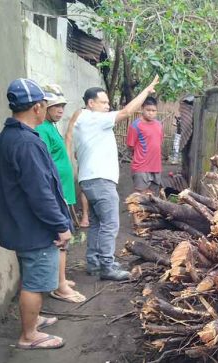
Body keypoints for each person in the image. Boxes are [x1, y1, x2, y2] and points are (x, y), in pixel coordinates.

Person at [0, 78, 72, 349]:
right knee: (36, 283)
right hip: (35, 228)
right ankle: (29, 336)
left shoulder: (8, 136)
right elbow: (40, 193)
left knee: (31, 276)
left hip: (20, 224)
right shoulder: (26, 142)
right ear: (38, 107)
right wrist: (61, 226)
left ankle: (33, 319)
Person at [74, 75, 159, 281]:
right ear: (90, 103)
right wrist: (146, 91)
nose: (107, 106)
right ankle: (107, 265)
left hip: (88, 180)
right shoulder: (94, 118)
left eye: (108, 103)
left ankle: (94, 262)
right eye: (103, 102)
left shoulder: (81, 121)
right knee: (111, 223)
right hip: (101, 180)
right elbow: (127, 112)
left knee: (97, 223)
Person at [35, 84, 86, 304]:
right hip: (57, 194)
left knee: (63, 240)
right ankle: (60, 285)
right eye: (56, 106)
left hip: (63, 192)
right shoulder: (42, 130)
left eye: (63, 106)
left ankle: (60, 279)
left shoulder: (51, 126)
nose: (60, 110)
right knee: (61, 239)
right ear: (44, 107)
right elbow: (43, 163)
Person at [126, 96, 164, 194]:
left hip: (156, 166)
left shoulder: (159, 125)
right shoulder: (135, 125)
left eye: (153, 110)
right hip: (141, 167)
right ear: (142, 109)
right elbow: (131, 146)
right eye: (148, 110)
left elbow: (159, 143)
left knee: (153, 198)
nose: (151, 113)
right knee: (139, 197)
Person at [64, 110, 91, 228]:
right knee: (84, 189)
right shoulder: (79, 126)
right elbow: (74, 150)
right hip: (85, 163)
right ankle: (85, 216)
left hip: (99, 166)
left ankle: (89, 216)